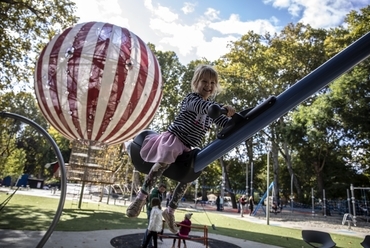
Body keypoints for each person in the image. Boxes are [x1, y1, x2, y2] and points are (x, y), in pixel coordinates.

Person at [126, 64, 236, 234]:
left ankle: (170, 211)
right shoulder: (191, 99)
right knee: (164, 160)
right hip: (175, 139)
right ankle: (141, 198)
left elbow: (225, 123)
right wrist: (219, 110)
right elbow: (202, 107)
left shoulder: (213, 107)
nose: (209, 85)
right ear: (195, 83)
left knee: (191, 172)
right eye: (204, 81)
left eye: (213, 83)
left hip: (187, 147)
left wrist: (232, 116)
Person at [141, 183, 166, 248]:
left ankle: (148, 244)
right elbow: (152, 202)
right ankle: (145, 244)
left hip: (154, 210)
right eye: (161, 189)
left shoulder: (159, 193)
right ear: (159, 187)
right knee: (150, 228)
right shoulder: (155, 194)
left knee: (153, 230)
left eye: (163, 190)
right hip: (152, 210)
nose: (162, 190)